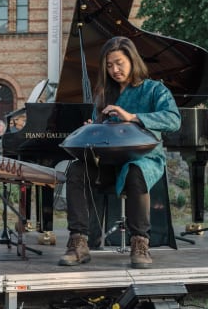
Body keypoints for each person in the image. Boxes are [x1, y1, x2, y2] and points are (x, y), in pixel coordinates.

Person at [59, 36, 181, 269]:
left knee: (135, 171)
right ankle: (79, 243)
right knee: (76, 169)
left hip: (144, 158)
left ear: (132, 60)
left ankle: (140, 244)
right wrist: (93, 128)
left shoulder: (155, 89)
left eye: (119, 63)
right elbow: (104, 128)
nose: (114, 69)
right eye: (109, 65)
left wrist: (133, 117)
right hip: (109, 162)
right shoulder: (106, 94)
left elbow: (174, 120)